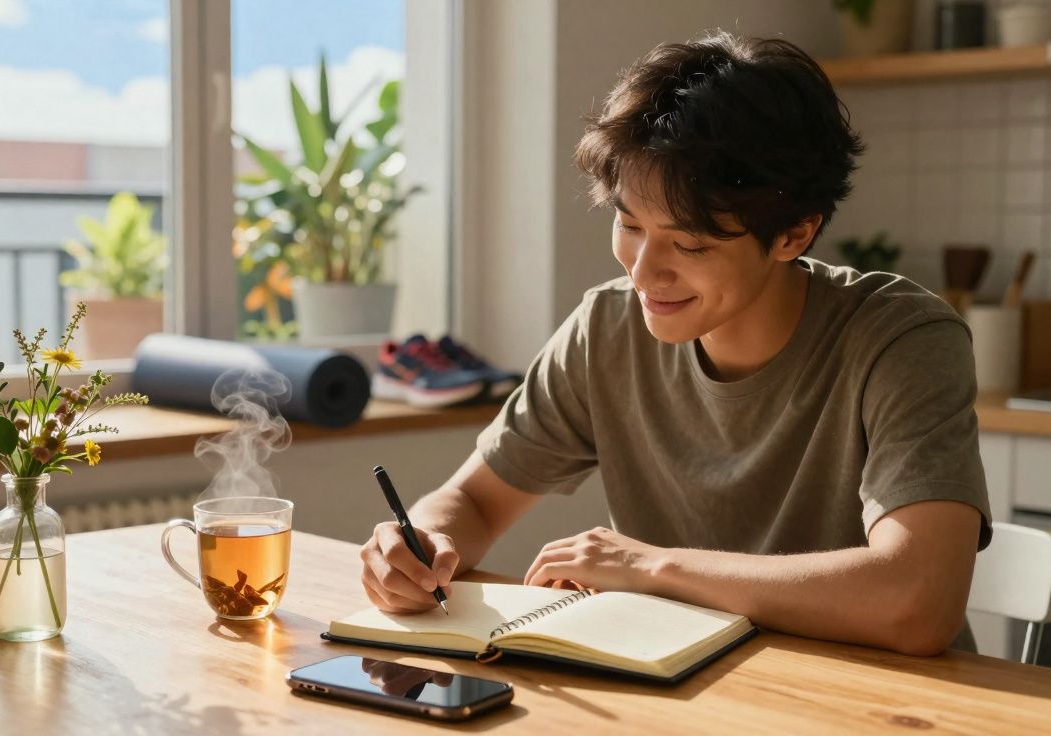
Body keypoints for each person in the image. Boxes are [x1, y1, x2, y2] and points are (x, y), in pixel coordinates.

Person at [359, 32, 991, 656]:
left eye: (689, 245)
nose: (642, 273)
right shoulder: (607, 327)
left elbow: (917, 601)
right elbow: (472, 499)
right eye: (629, 224)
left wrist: (655, 568)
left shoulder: (901, 339)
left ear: (795, 234)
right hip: (686, 693)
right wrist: (422, 545)